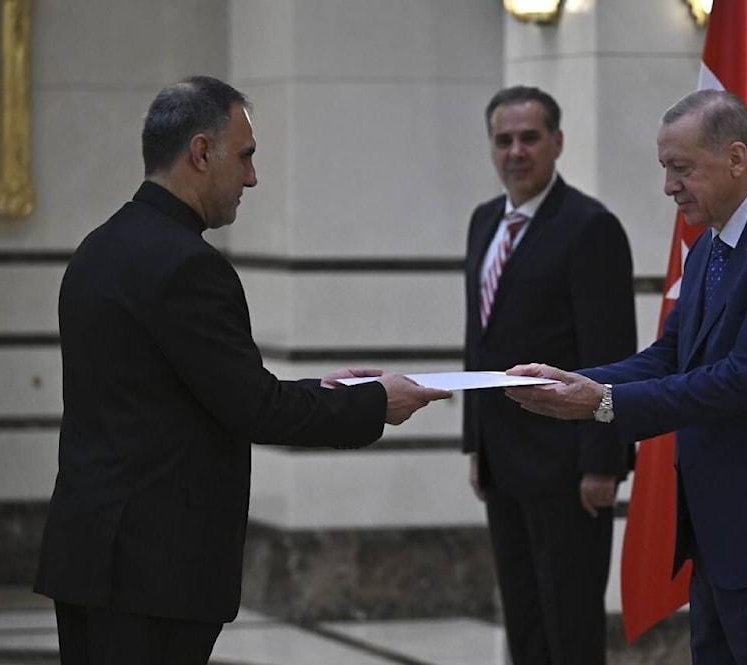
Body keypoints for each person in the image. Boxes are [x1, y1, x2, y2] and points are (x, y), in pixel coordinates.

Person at [33, 75, 451, 665]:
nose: (252, 177)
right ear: (201, 153)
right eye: (246, 156)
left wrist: (327, 390)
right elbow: (254, 407)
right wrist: (375, 403)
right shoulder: (187, 266)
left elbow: (194, 392)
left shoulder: (99, 248)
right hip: (154, 573)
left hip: (89, 557)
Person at [505, 89, 747, 665]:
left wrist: (603, 403)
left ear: (736, 159)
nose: (668, 186)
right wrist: (568, 380)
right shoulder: (708, 247)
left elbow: (742, 380)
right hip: (719, 537)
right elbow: (670, 355)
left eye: (681, 169)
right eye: (664, 169)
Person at [463, 85, 637, 665]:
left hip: (569, 469)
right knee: (524, 621)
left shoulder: (590, 227)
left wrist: (602, 462)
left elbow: (607, 349)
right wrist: (475, 444)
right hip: (503, 462)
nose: (516, 151)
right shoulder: (484, 221)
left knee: (571, 626)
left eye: (529, 138)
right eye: (503, 139)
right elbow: (479, 341)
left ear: (557, 143)